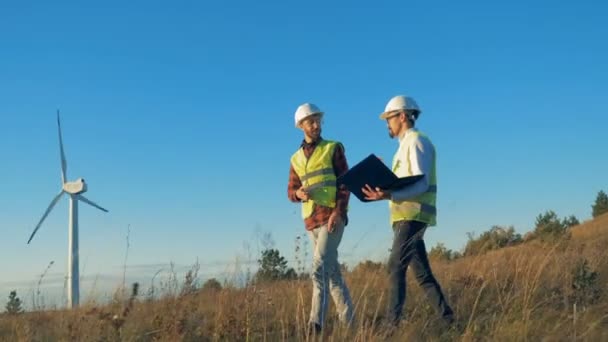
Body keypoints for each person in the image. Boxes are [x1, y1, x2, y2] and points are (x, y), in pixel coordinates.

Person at [361, 95, 454, 327]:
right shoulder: (403, 147)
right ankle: (449, 321)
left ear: (402, 116)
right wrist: (381, 182)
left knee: (394, 267)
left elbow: (420, 184)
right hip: (405, 216)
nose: (387, 124)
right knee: (422, 275)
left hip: (413, 216)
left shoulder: (416, 142)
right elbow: (404, 182)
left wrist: (390, 194)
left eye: (389, 118)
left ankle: (391, 327)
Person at [287, 103, 354, 334]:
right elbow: (290, 191)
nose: (316, 125)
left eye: (318, 121)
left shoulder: (333, 148)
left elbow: (346, 183)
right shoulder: (295, 159)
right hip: (310, 222)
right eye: (311, 121)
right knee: (332, 275)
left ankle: (315, 325)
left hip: (331, 218)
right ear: (301, 126)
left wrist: (338, 211)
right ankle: (351, 324)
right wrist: (298, 194)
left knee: (317, 270)